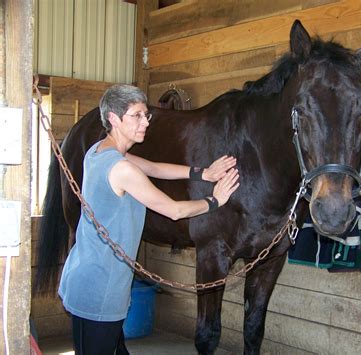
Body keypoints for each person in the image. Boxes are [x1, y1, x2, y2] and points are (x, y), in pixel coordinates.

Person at [58, 84, 240, 354]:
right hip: (99, 289)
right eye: (137, 116)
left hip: (90, 278)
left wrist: (203, 173)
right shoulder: (121, 169)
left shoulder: (100, 151)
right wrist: (215, 201)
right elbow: (174, 211)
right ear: (113, 119)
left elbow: (154, 168)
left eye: (146, 115)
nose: (146, 122)